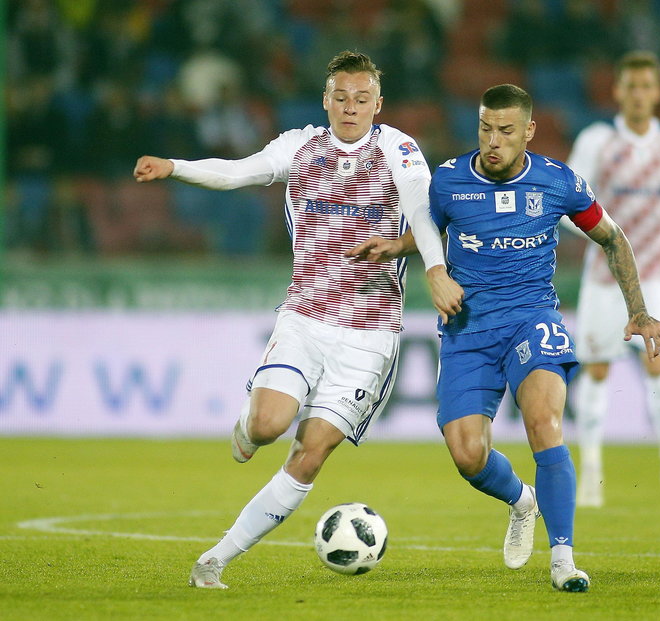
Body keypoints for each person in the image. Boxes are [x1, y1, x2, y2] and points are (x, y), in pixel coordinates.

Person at [133, 50, 464, 589]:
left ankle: (213, 561)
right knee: (266, 426)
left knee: (310, 454)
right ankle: (246, 428)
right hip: (305, 319)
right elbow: (238, 171)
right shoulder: (299, 145)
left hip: (369, 334)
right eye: (341, 98)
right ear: (326, 100)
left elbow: (422, 211)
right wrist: (176, 167)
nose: (350, 108)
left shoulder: (400, 150)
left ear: (378, 103)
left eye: (362, 99)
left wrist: (434, 269)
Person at [348, 84, 660, 592]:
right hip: (467, 329)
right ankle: (524, 501)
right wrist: (394, 246)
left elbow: (612, 236)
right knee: (467, 454)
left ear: (528, 131)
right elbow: (430, 230)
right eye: (485, 128)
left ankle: (563, 560)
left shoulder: (557, 182)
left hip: (531, 318)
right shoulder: (450, 180)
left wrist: (640, 311)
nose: (492, 141)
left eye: (505, 131)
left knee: (544, 420)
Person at [565, 51, 660, 508]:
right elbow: (570, 201)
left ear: (657, 92)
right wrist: (601, 235)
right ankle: (592, 473)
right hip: (604, 278)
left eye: (647, 86)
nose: (639, 94)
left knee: (657, 364)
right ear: (618, 91)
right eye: (632, 86)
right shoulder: (597, 140)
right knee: (598, 369)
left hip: (656, 273)